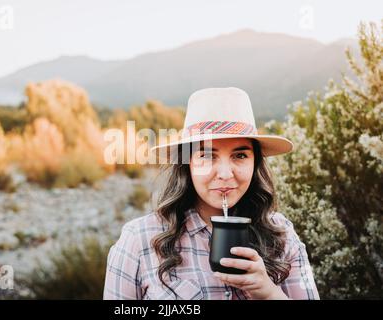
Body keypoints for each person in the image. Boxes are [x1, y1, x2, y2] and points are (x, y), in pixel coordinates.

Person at [103, 87, 320, 300]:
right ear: (188, 164)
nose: (225, 174)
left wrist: (269, 293)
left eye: (240, 155)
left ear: (255, 163)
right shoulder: (140, 239)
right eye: (207, 156)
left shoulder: (282, 235)